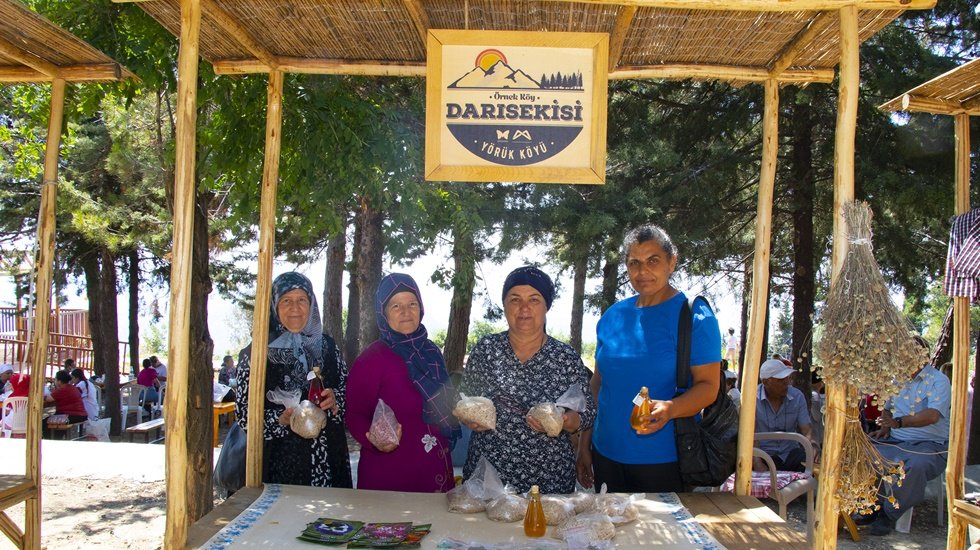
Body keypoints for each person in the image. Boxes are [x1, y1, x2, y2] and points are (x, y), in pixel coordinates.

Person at [577, 224, 721, 493]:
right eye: (634, 263)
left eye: (653, 261)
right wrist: (585, 444)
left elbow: (708, 387)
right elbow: (598, 385)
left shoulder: (694, 317)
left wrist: (671, 409)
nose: (642, 272)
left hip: (665, 460)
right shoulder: (612, 316)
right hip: (606, 455)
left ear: (672, 262)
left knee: (659, 536)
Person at [459, 266, 595, 494]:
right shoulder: (486, 350)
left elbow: (587, 413)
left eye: (534, 299)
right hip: (489, 476)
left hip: (548, 480)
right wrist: (468, 418)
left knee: (543, 530)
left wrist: (563, 421)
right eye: (515, 299)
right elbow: (464, 400)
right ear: (504, 305)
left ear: (546, 307)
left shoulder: (564, 357)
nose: (524, 308)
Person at [235, 272, 352, 488]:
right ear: (274, 307)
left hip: (329, 466)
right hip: (278, 468)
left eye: (302, 300)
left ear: (312, 304)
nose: (295, 308)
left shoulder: (328, 347)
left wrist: (336, 401)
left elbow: (348, 394)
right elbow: (244, 416)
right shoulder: (255, 355)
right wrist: (281, 419)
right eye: (286, 301)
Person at [346, 273, 461, 492]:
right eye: (396, 306)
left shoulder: (431, 352)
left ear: (421, 308)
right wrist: (374, 441)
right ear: (383, 313)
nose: (406, 312)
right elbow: (355, 414)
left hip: (436, 473)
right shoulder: (372, 359)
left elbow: (444, 404)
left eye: (412, 304)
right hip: (391, 478)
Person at [862, 335, 950, 536]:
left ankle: (889, 513)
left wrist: (898, 423)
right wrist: (885, 426)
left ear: (923, 356)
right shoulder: (897, 379)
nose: (902, 357)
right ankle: (871, 505)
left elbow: (932, 415)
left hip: (929, 444)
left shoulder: (938, 380)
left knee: (916, 466)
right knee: (862, 452)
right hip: (896, 440)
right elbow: (887, 408)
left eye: (908, 353)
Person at [753, 359, 818, 472]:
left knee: (809, 467)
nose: (786, 383)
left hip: (790, 453)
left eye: (787, 378)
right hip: (763, 454)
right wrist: (757, 462)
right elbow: (750, 435)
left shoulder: (797, 396)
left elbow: (806, 429)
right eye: (781, 380)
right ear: (766, 382)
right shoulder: (752, 399)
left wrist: (814, 446)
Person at [43, 370, 88, 436]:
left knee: (44, 423)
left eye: (55, 379)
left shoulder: (63, 389)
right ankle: (57, 437)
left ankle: (51, 440)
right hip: (80, 415)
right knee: (54, 418)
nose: (54, 381)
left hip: (72, 415)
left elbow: (48, 399)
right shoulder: (72, 387)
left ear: (59, 381)